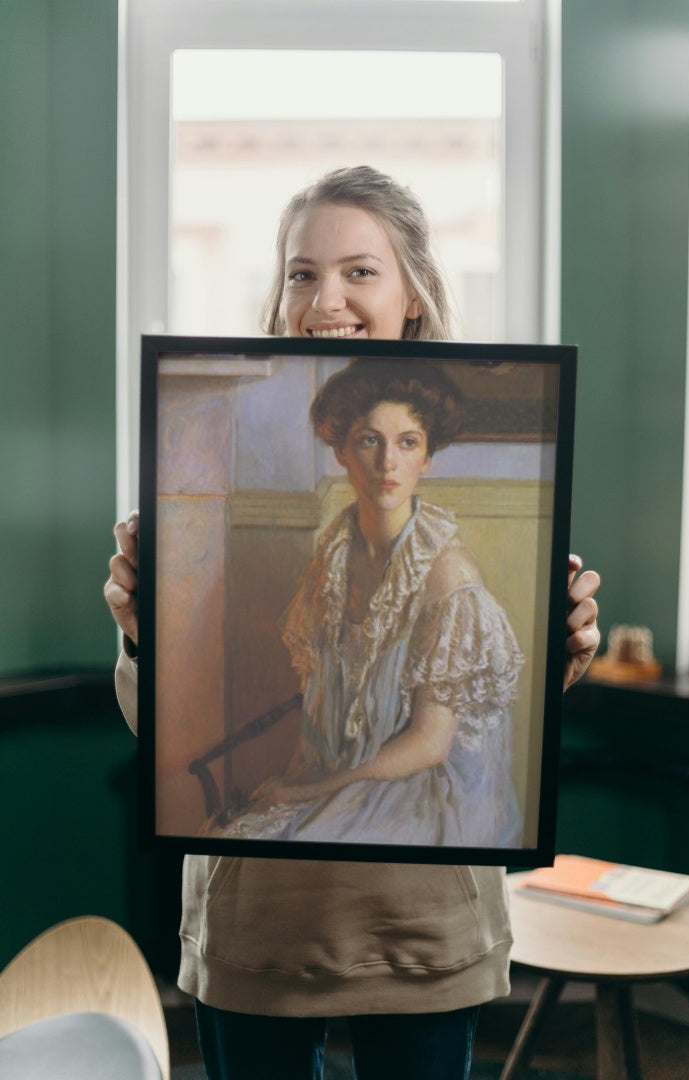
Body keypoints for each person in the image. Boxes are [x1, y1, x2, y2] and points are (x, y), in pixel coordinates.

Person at [105, 166, 601, 1080]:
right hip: (260, 921)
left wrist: (561, 656)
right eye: (301, 273)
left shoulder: (454, 576)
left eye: (358, 272)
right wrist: (145, 638)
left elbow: (443, 737)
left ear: (412, 293)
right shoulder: (324, 556)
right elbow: (167, 725)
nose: (324, 298)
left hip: (415, 915)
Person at [210, 359, 524, 849]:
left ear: (428, 458)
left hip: (423, 794)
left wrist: (304, 792)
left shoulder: (449, 577)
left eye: (408, 443)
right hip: (342, 775)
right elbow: (318, 707)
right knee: (238, 834)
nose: (387, 464)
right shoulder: (332, 558)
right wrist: (290, 787)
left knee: (294, 841)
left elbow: (429, 745)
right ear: (341, 451)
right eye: (369, 440)